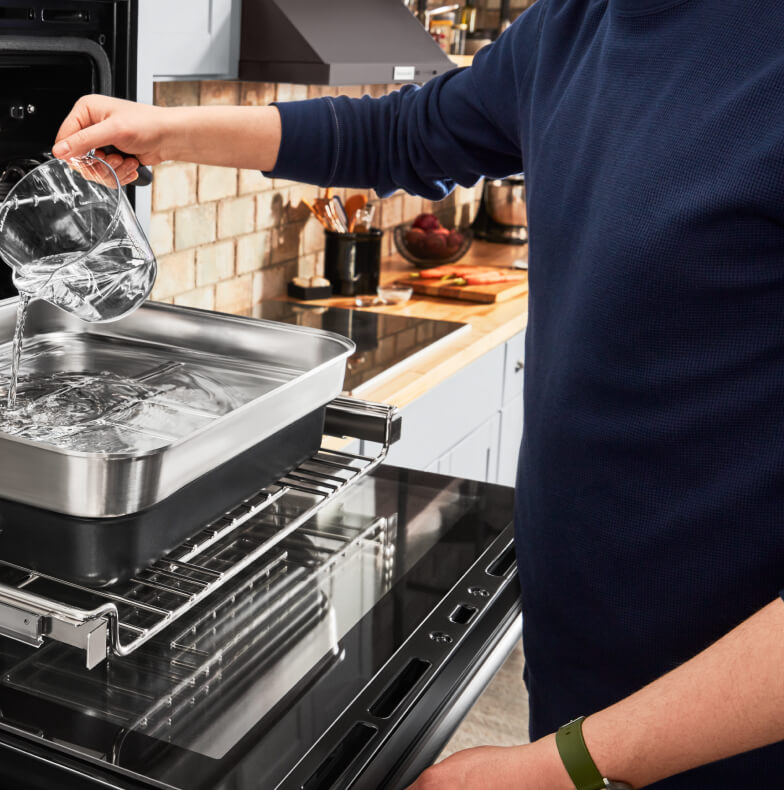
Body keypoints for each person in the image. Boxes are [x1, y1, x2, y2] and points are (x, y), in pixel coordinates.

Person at [53, 1, 784, 787]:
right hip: (583, 676)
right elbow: (398, 134)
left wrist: (564, 769)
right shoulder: (572, 26)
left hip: (729, 727)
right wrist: (166, 131)